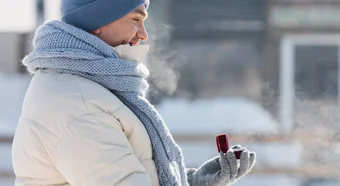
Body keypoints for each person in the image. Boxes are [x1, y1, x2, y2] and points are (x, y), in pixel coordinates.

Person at [12, 0, 256, 185]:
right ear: (98, 21)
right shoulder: (77, 103)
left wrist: (194, 181)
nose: (143, 34)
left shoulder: (89, 86)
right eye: (135, 19)